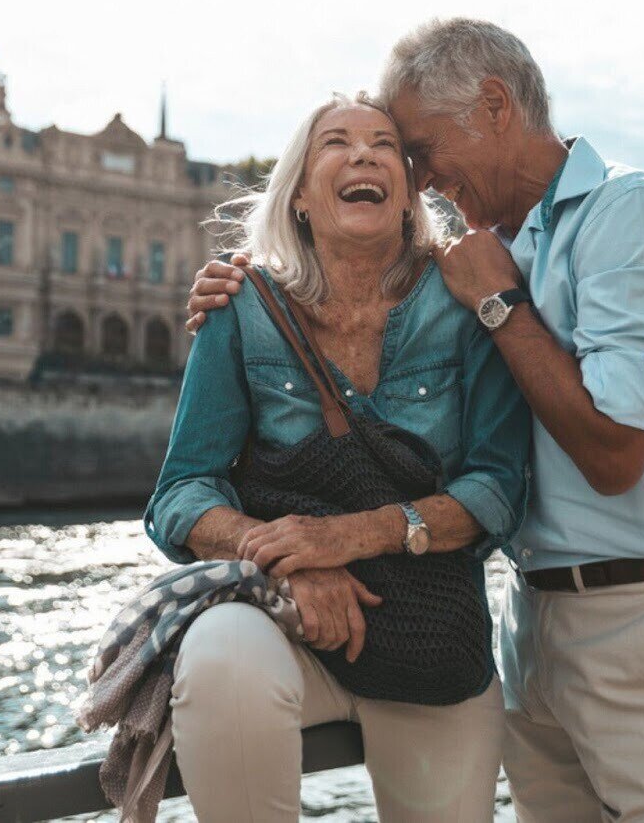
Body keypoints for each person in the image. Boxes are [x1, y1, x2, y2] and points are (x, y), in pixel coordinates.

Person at [187, 19, 644, 822]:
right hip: (537, 620)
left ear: (495, 105)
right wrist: (237, 289)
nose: (419, 179)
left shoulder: (632, 216)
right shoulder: (496, 247)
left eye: (418, 149)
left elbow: (614, 455)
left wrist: (499, 304)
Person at [145, 91, 531, 822]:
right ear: (297, 196)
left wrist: (347, 537)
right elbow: (180, 493)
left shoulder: (464, 301)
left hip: (434, 640)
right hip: (291, 624)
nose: (363, 154)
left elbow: (499, 491)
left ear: (410, 192)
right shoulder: (243, 304)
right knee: (220, 651)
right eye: (337, 143)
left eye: (385, 144)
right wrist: (292, 560)